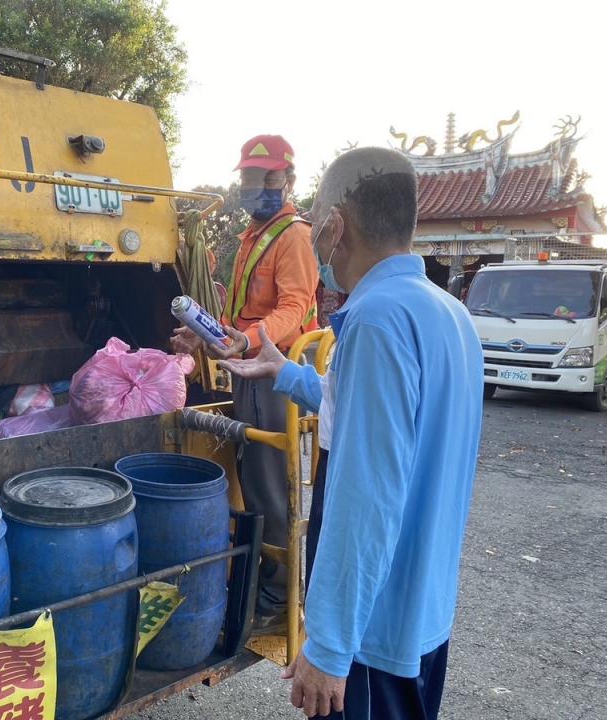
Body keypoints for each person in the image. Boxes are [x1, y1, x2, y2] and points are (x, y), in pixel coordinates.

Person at [219, 147, 484, 719]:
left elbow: (368, 493)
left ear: (337, 223)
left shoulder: (375, 319)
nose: (315, 232)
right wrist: (287, 373)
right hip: (423, 612)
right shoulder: (446, 314)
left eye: (318, 218)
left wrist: (331, 646)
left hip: (373, 629)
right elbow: (375, 416)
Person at [171, 134, 319, 628]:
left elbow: (294, 307)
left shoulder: (294, 235)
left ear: (288, 180)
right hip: (250, 366)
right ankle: (264, 575)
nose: (257, 187)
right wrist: (203, 333)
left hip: (274, 372)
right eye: (251, 178)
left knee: (271, 484)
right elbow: (238, 312)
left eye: (268, 178)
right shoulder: (253, 236)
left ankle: (277, 595)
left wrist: (249, 341)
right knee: (254, 479)